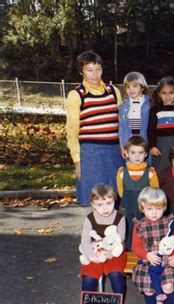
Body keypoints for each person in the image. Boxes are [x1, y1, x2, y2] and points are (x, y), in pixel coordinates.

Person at [66, 51, 123, 205]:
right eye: (89, 70)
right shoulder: (76, 95)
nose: (95, 74)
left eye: (98, 69)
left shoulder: (113, 91)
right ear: (81, 72)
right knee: (94, 200)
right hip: (90, 154)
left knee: (116, 199)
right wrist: (78, 162)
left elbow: (122, 124)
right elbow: (72, 132)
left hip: (115, 152)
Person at [73, 183, 126, 304]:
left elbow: (120, 239)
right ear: (93, 204)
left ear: (115, 201)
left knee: (115, 275)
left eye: (109, 203)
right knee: (89, 277)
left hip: (115, 251)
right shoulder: (90, 219)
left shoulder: (120, 218)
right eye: (100, 204)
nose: (105, 208)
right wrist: (91, 256)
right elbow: (85, 241)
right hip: (95, 251)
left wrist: (107, 255)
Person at [131, 187, 174, 304]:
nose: (154, 213)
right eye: (150, 208)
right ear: (142, 207)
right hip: (148, 262)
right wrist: (147, 255)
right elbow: (135, 246)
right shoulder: (139, 225)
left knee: (168, 286)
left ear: (164, 207)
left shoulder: (169, 223)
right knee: (149, 291)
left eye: (158, 209)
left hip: (166, 261)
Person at [116, 136, 159, 250]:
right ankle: (128, 251)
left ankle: (145, 251)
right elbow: (120, 191)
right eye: (133, 152)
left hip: (145, 208)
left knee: (144, 230)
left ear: (146, 154)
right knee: (127, 229)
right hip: (127, 206)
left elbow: (155, 191)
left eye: (140, 152)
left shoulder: (151, 171)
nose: (137, 156)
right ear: (127, 153)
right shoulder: (121, 171)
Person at [148, 76, 174, 173]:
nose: (168, 96)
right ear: (159, 94)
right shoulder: (155, 109)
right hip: (160, 145)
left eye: (171, 93)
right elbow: (151, 129)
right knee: (161, 169)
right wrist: (152, 146)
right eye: (164, 93)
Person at [118, 71, 150, 159]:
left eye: (135, 86)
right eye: (128, 87)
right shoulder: (123, 106)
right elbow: (121, 128)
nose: (131, 89)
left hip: (145, 145)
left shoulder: (149, 104)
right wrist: (122, 146)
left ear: (142, 87)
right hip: (129, 145)